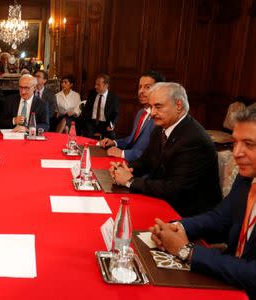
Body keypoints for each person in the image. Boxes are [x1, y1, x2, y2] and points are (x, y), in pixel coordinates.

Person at [150, 103, 256, 299]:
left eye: (249, 144)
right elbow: (220, 218)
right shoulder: (247, 178)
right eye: (235, 142)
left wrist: (187, 251)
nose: (236, 153)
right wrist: (179, 228)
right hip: (228, 280)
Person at [110, 82, 221, 217]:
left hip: (187, 214)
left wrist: (130, 181)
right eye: (151, 107)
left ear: (178, 106)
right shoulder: (160, 130)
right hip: (162, 199)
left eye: (158, 107)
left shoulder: (194, 139)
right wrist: (125, 169)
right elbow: (145, 161)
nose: (152, 113)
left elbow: (174, 189)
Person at [99, 70, 165, 162]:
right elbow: (131, 140)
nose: (141, 91)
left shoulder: (160, 118)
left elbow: (152, 154)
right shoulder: (141, 113)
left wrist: (122, 153)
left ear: (159, 90)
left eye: (147, 87)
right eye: (140, 87)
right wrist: (114, 142)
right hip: (129, 162)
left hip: (141, 169)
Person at [80, 73, 119, 139]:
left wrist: (112, 124)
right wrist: (85, 121)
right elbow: (86, 110)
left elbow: (115, 114)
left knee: (111, 138)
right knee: (86, 135)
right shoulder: (92, 94)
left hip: (105, 124)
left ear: (106, 86)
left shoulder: (113, 98)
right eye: (95, 84)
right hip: (91, 123)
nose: (95, 86)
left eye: (98, 85)